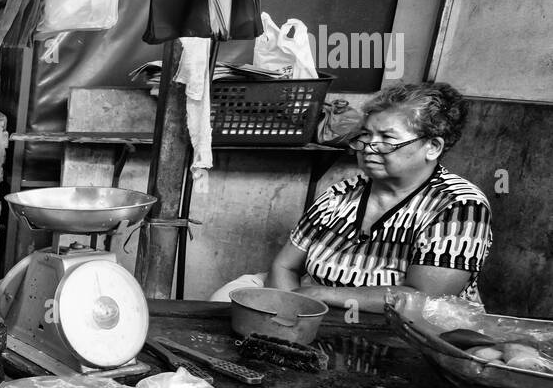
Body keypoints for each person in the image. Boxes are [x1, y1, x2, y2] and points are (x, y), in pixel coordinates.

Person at [210, 83, 493, 307]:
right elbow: (285, 265)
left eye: (387, 139)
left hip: (401, 322)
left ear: (432, 146)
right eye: (366, 136)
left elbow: (424, 300)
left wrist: (321, 297)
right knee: (226, 300)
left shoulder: (459, 205)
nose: (369, 147)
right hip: (308, 300)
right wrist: (294, 307)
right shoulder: (341, 193)